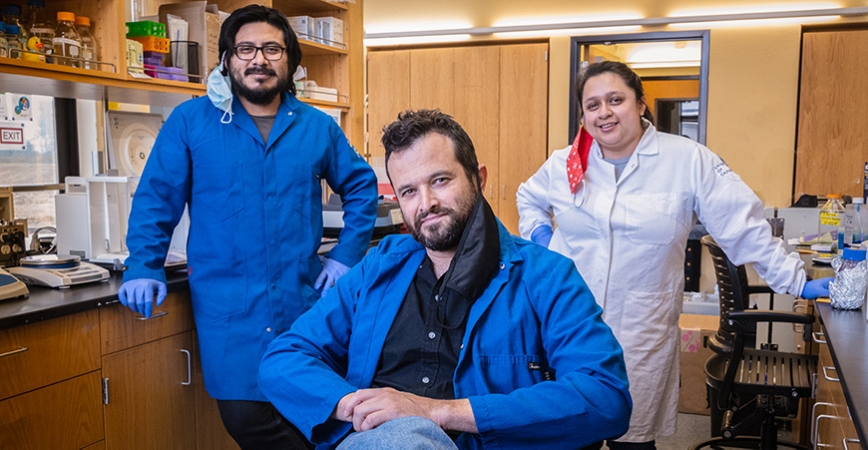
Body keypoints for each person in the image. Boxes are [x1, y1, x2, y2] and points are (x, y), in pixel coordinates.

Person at [258, 109, 632, 449]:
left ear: (478, 178)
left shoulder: (546, 275)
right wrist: (359, 408)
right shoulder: (379, 267)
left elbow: (605, 397)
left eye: (439, 180)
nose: (426, 203)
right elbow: (284, 356)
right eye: (408, 191)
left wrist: (436, 412)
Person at [516, 60, 832, 449]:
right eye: (592, 104)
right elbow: (528, 197)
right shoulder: (566, 163)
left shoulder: (687, 160)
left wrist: (796, 279)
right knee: (569, 431)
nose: (604, 112)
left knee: (631, 437)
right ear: (583, 114)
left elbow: (742, 224)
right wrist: (544, 240)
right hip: (569, 321)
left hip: (640, 326)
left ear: (641, 104)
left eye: (616, 99)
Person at [117, 5, 378, 449]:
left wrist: (346, 256)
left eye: (272, 49)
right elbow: (157, 199)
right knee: (248, 421)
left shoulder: (317, 127)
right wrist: (143, 264)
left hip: (304, 306)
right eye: (246, 49)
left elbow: (362, 186)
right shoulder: (191, 121)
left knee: (311, 417)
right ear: (227, 60)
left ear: (290, 61)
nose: (259, 59)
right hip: (230, 313)